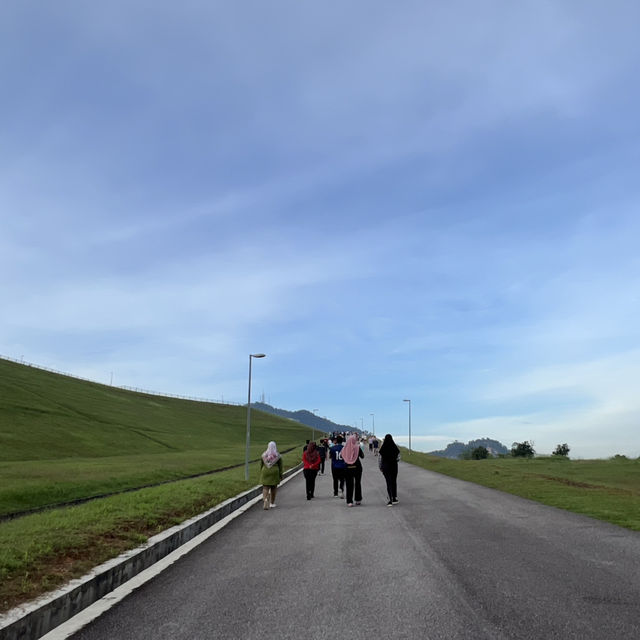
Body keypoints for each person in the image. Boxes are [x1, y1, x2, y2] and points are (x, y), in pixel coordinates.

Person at [259, 441, 284, 510]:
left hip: (265, 471)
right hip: (274, 472)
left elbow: (261, 465)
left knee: (265, 487)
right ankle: (272, 503)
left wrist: (262, 472)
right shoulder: (277, 456)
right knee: (273, 488)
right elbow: (280, 466)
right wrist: (281, 475)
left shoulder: (264, 455)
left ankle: (265, 500)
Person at [342, 433, 364, 507]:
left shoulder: (344, 448)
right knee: (358, 483)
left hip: (347, 468)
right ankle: (358, 499)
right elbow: (362, 456)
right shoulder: (357, 447)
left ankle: (349, 501)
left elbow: (342, 457)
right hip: (357, 467)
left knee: (349, 484)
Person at [378, 434, 400, 506]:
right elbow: (398, 458)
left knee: (388, 482)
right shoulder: (395, 448)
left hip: (386, 467)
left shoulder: (382, 449)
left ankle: (389, 500)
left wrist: (380, 467)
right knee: (394, 481)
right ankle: (394, 498)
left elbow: (380, 459)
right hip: (394, 467)